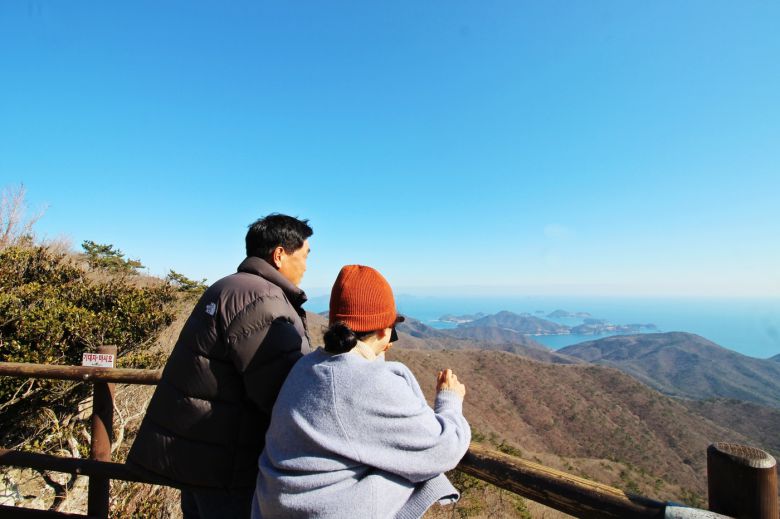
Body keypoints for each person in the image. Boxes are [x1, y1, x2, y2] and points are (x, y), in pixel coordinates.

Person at [127, 214, 313, 519]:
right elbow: (281, 390)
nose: (306, 267)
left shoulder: (226, 287)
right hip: (230, 467)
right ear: (280, 255)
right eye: (304, 256)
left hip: (199, 459)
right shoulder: (262, 298)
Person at [253, 265, 471, 519]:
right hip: (320, 511)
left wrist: (373, 355)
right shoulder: (368, 383)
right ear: (383, 329)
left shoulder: (307, 366)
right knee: (414, 467)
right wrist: (449, 400)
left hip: (277, 506)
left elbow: (351, 389)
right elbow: (445, 448)